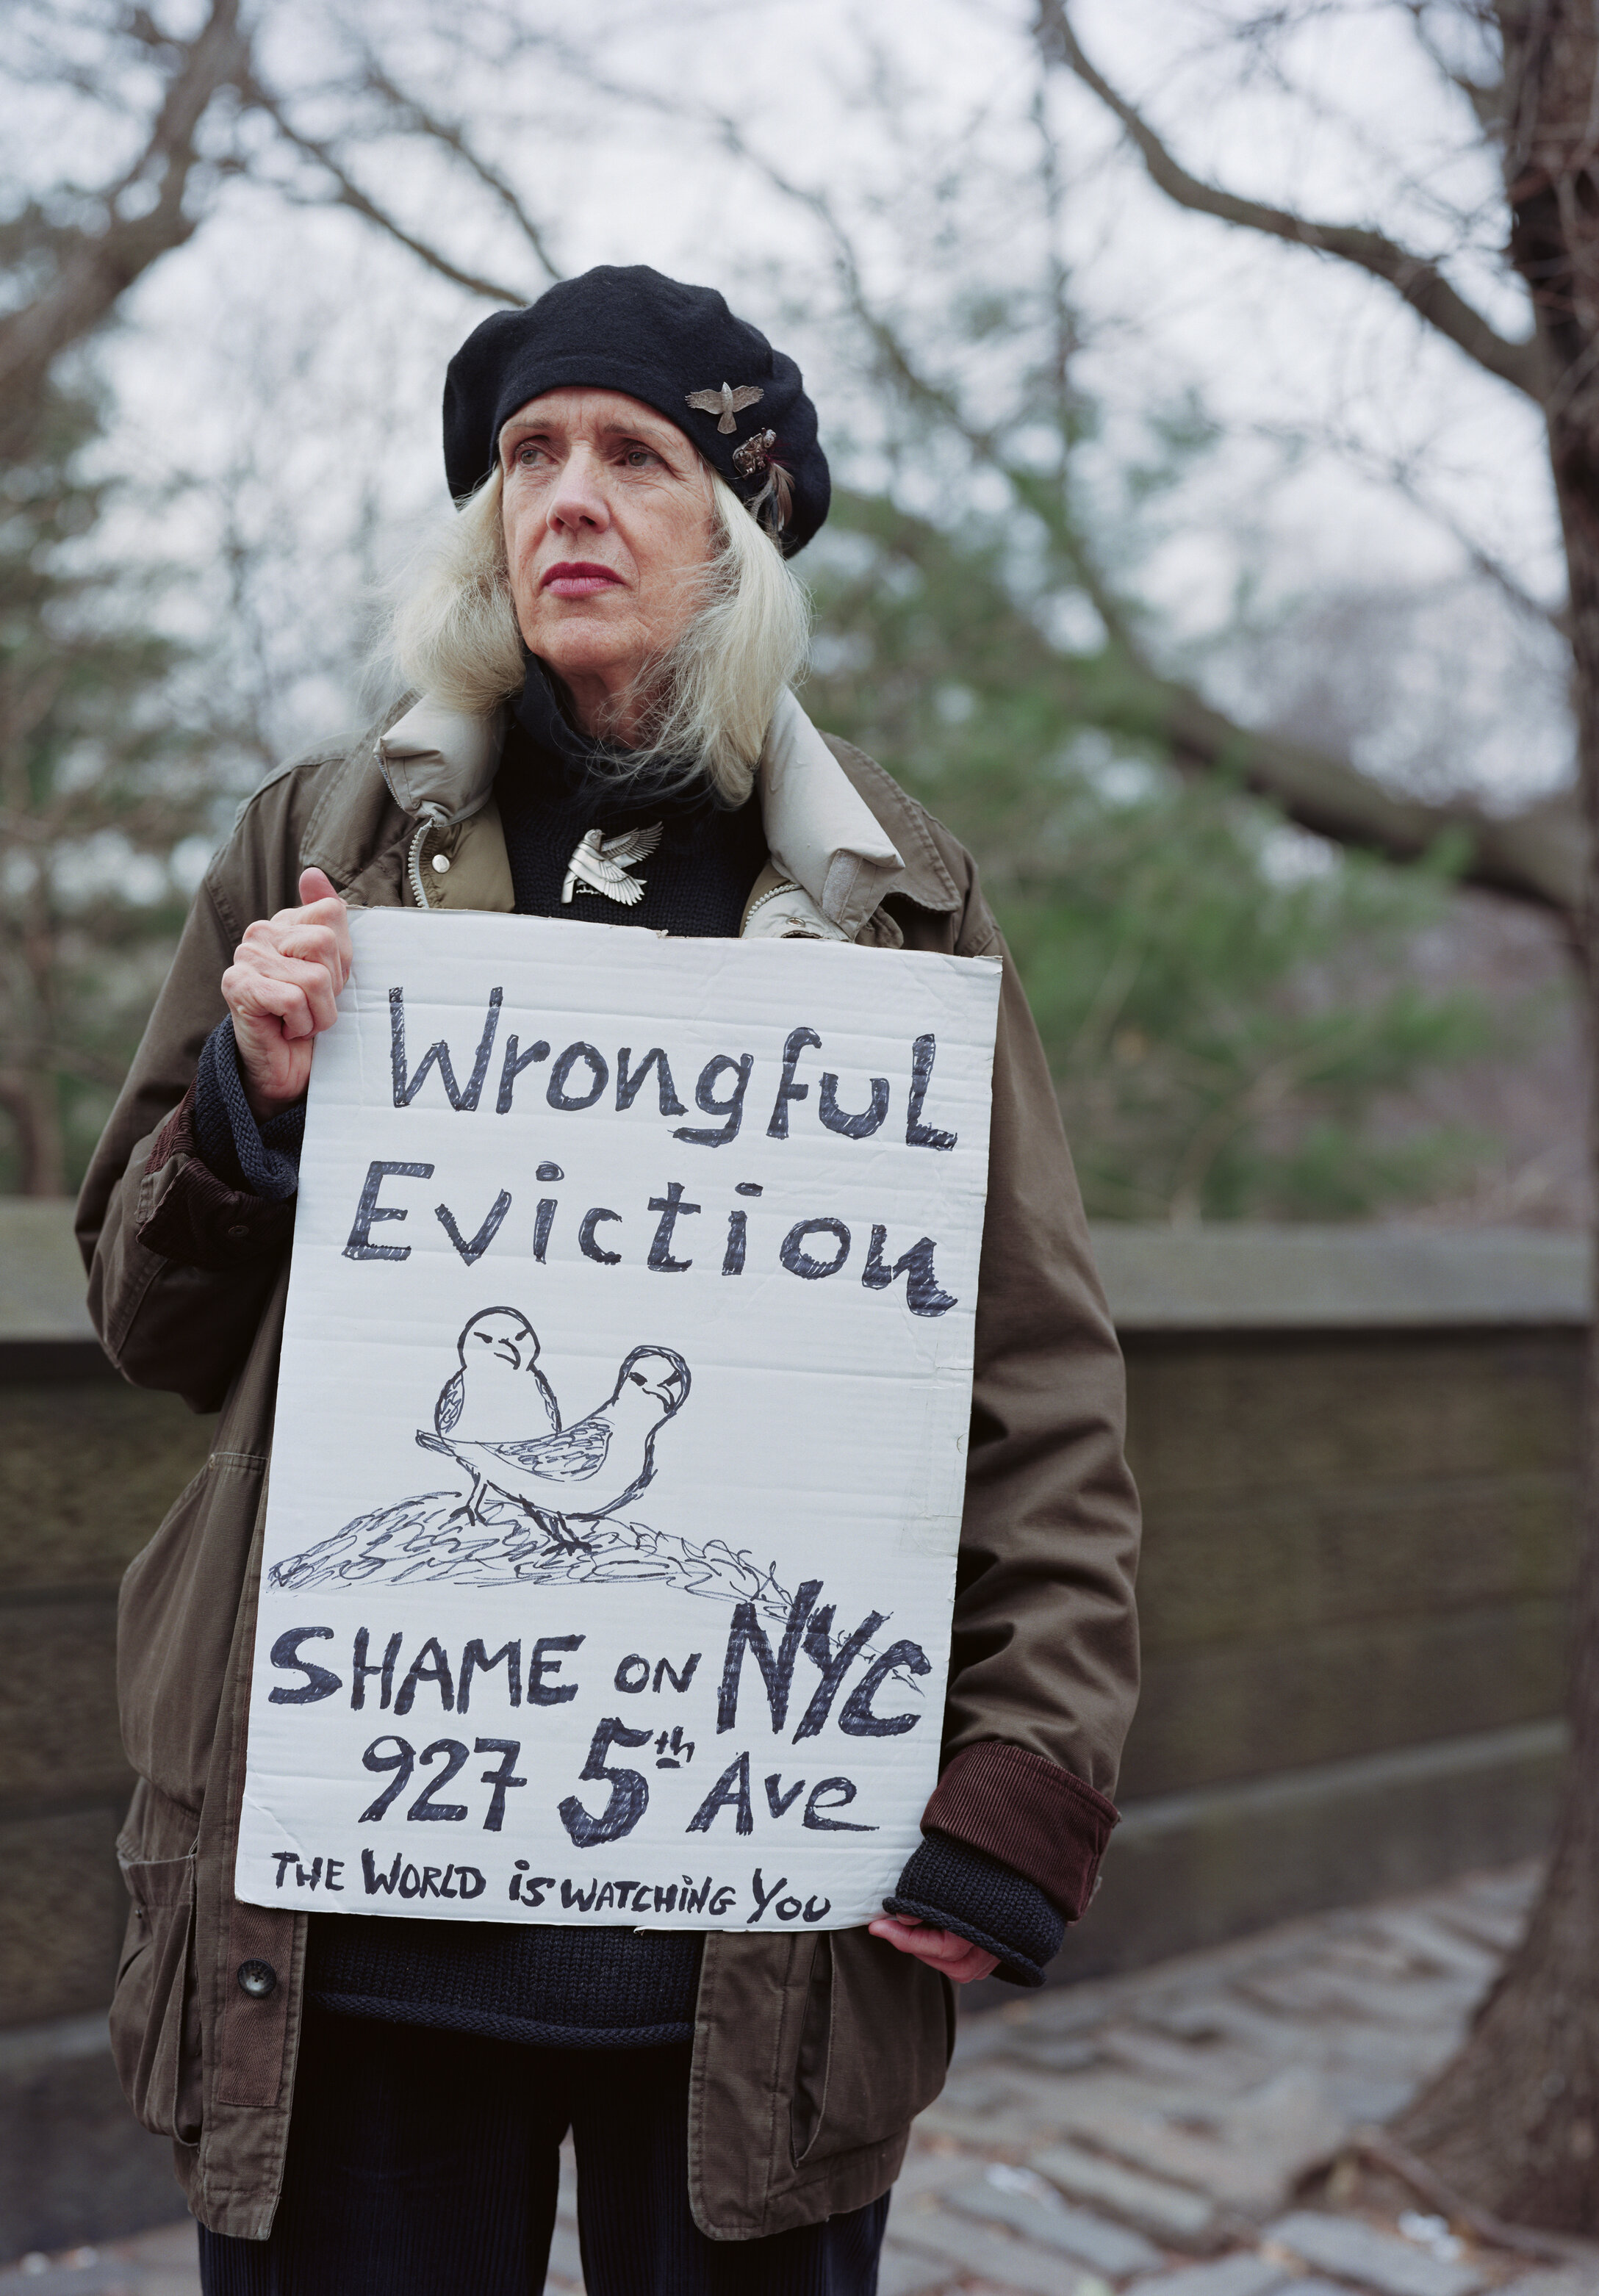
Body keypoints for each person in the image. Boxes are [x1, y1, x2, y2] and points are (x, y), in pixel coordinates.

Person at [79, 264, 1140, 2295]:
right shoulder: (314, 847)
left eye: (635, 457)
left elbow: (1034, 1383)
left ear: (732, 540)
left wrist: (1021, 1780)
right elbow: (149, 1321)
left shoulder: (892, 908)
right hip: (350, 1902)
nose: (567, 496)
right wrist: (247, 1102)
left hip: (748, 1932)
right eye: (527, 456)